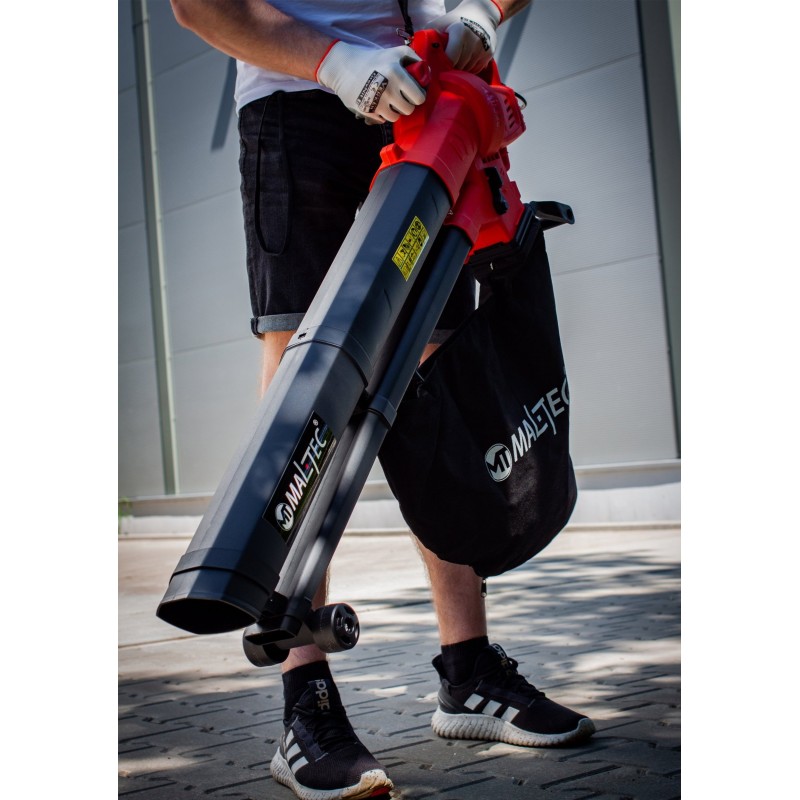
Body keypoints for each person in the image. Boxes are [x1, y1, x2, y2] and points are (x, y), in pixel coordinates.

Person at [169, 2, 595, 798]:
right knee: (306, 384)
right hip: (300, 108)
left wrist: (480, 13)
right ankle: (305, 701)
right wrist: (333, 60)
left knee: (439, 372)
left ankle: (468, 671)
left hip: (430, 107)